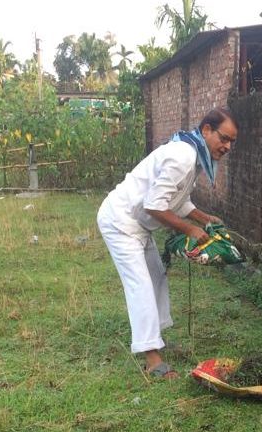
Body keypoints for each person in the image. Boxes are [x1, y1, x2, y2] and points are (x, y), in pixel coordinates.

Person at [97, 107, 238, 379]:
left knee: (157, 277)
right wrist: (191, 229)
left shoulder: (194, 154)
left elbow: (178, 199)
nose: (227, 146)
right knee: (140, 283)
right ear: (206, 130)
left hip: (138, 224)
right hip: (120, 220)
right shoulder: (183, 156)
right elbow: (154, 205)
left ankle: (155, 337)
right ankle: (152, 359)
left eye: (232, 141)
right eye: (224, 138)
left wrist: (203, 217)